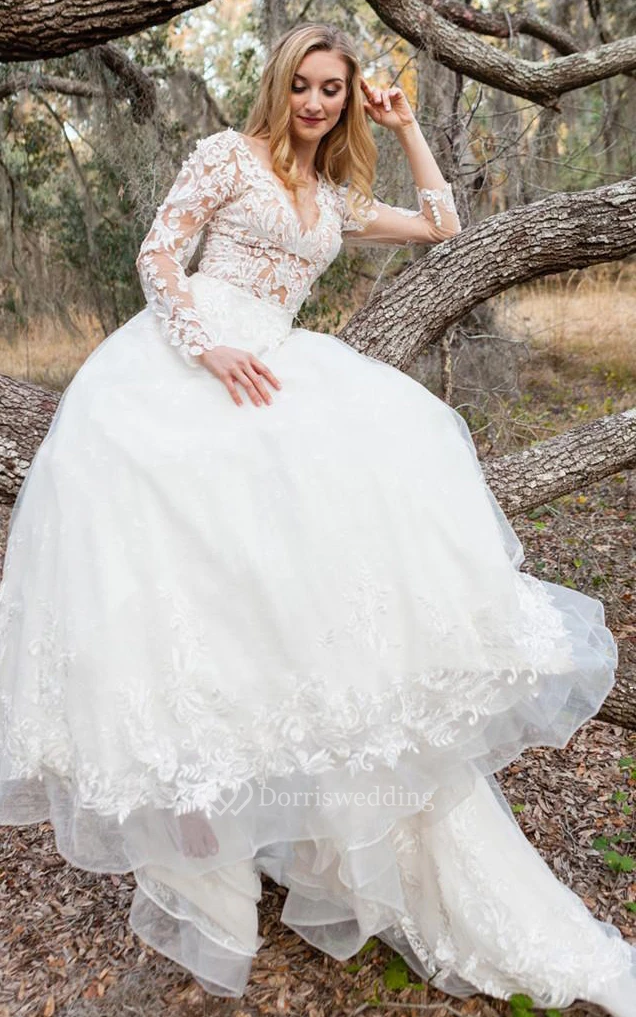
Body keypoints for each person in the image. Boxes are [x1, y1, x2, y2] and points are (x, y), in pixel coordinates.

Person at [0, 20, 634, 1016]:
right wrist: (206, 348)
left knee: (296, 602)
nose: (316, 103)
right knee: (187, 599)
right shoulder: (227, 155)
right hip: (185, 373)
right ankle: (206, 843)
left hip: (280, 374)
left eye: (333, 89)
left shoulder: (335, 193)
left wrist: (407, 123)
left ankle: (292, 818)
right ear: (280, 84)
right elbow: (158, 255)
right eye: (305, 84)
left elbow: (442, 225)